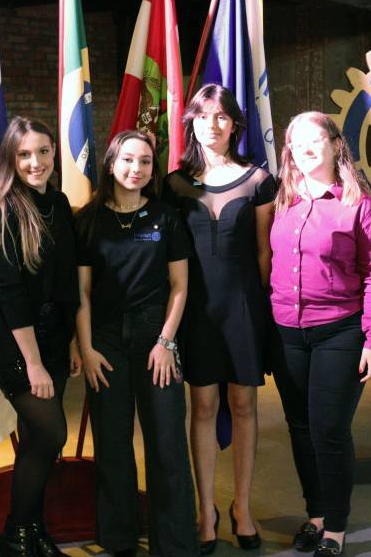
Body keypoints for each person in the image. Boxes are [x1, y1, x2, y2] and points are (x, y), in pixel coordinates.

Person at [268, 112, 371, 556]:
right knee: (300, 427)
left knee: (329, 430)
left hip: (339, 332)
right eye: (295, 141)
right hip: (287, 332)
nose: (304, 148)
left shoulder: (358, 206)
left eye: (313, 139)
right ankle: (316, 514)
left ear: (336, 145)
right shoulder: (283, 200)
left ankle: (336, 528)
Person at [162, 84, 276, 554]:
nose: (212, 124)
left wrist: (260, 310)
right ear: (191, 122)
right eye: (204, 115)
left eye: (222, 116)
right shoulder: (174, 184)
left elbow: (265, 252)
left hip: (243, 307)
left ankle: (242, 508)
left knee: (244, 405)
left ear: (235, 125)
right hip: (196, 311)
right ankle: (205, 509)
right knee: (204, 407)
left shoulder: (259, 180)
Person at [75, 130, 197, 556]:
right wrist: (87, 349)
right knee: (112, 445)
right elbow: (82, 293)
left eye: (145, 161)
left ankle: (175, 545)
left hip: (156, 339)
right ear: (111, 163)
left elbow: (180, 287)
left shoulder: (166, 218)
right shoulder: (88, 220)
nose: (136, 169)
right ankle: (119, 541)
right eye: (128, 160)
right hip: (105, 343)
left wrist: (166, 342)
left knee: (167, 445)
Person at [0, 117, 81, 557]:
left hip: (54, 336)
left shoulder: (58, 202)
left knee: (37, 439)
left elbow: (67, 281)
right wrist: (33, 364)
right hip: (14, 342)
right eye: (24, 154)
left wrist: (71, 341)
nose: (35, 162)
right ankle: (14, 536)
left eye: (43, 152)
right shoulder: (4, 209)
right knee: (51, 433)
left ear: (55, 152)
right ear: (11, 159)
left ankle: (33, 531)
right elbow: (10, 293)